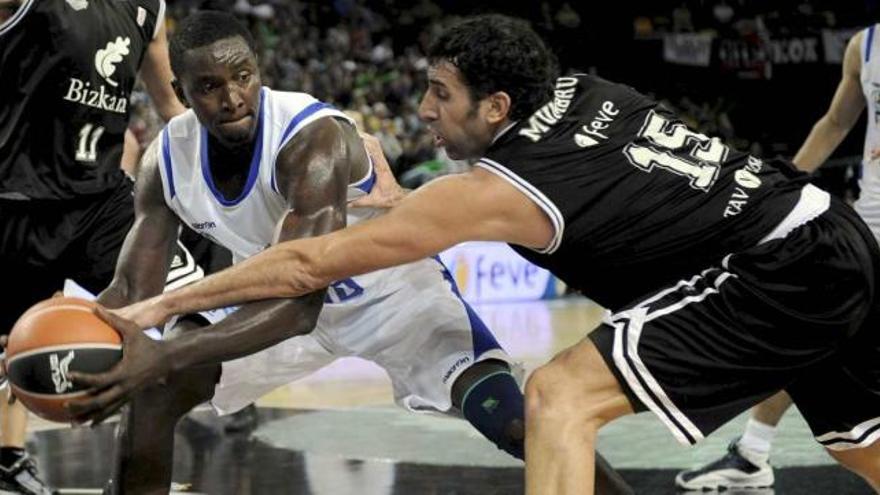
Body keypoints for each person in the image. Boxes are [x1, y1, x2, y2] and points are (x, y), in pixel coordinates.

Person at [70, 14, 880, 494]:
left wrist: (165, 314)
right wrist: (123, 330)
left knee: (555, 398)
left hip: (773, 267)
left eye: (441, 95)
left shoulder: (464, 179)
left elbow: (309, 273)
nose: (421, 110)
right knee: (858, 444)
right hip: (822, 235)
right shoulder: (587, 90)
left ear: (497, 105)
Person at [60, 12, 631, 494]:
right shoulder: (165, 161)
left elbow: (300, 301)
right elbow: (132, 292)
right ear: (182, 93)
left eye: (243, 76)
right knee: (151, 397)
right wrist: (63, 338)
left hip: (388, 296)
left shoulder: (311, 138)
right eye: (210, 86)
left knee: (513, 421)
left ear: (260, 71)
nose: (233, 97)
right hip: (268, 297)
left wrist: (165, 353)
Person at [676, 25, 878, 491]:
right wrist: (783, 183)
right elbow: (835, 123)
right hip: (867, 228)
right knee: (808, 337)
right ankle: (752, 453)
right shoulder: (864, 45)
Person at [0, 1, 188, 493]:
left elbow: (172, 108)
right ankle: (8, 457)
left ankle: (135, 478)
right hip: (15, 200)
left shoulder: (148, 8)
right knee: (11, 350)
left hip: (101, 202)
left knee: (182, 311)